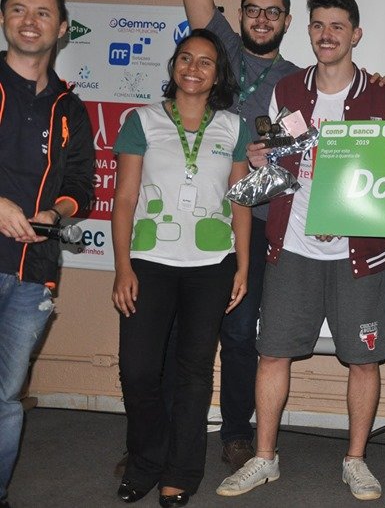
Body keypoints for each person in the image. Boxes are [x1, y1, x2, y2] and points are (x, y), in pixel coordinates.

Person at [216, 0, 385, 501]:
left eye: (337, 26)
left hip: (357, 254)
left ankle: (356, 460)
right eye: (318, 25)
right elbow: (277, 158)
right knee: (272, 354)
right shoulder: (287, 90)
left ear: (355, 35)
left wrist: (345, 215)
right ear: (308, 31)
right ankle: (264, 457)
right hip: (293, 247)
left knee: (363, 360)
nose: (327, 35)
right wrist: (261, 159)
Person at [178, 0, 300, 472]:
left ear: (287, 20)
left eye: (272, 12)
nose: (261, 19)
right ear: (241, 13)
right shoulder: (218, 46)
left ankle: (234, 432)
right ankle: (167, 436)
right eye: (253, 9)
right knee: (185, 331)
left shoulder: (299, 82)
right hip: (198, 214)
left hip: (258, 221)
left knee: (240, 332)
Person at [111, 28, 252, 507]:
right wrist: (123, 267)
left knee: (194, 373)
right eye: (186, 58)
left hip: (211, 266)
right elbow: (124, 198)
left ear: (218, 74)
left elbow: (240, 202)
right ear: (173, 66)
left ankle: (180, 473)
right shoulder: (142, 121)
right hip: (149, 264)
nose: (194, 68)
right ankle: (145, 460)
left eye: (205, 62)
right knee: (137, 370)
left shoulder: (234, 127)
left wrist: (242, 265)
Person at [0, 0, 95, 508]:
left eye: (42, 13)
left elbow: (81, 186)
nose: (30, 21)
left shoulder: (69, 106)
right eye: (18, 10)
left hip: (33, 274)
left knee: (6, 399)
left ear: (61, 29)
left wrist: (54, 213)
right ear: (3, 20)